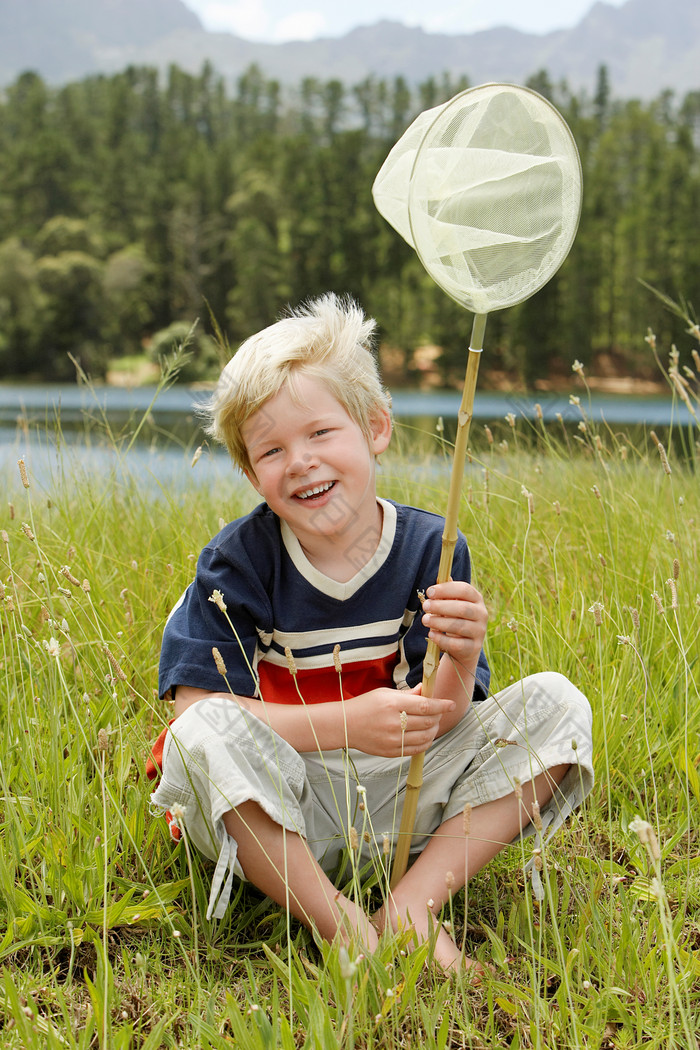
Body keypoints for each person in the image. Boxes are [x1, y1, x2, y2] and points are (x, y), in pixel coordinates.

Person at [149, 293, 593, 973]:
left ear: (375, 428)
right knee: (201, 734)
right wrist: (346, 724)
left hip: (397, 804)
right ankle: (341, 924)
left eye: (321, 433)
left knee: (558, 705)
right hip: (279, 807)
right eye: (271, 449)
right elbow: (194, 714)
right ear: (249, 471)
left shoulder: (430, 546)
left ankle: (412, 906)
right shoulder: (238, 562)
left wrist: (462, 654)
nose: (300, 460)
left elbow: (440, 720)